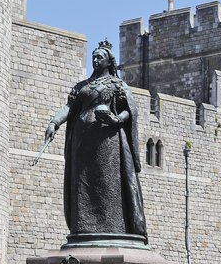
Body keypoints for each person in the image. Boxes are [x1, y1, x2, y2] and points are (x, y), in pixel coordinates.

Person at [44, 40, 147, 242]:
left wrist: (117, 119)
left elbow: (130, 110)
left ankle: (113, 227)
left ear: (108, 62)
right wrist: (54, 123)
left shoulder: (117, 85)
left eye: (99, 57)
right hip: (82, 142)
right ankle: (83, 228)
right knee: (83, 184)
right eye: (93, 57)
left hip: (107, 141)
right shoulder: (82, 86)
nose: (95, 60)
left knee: (107, 184)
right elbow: (69, 108)